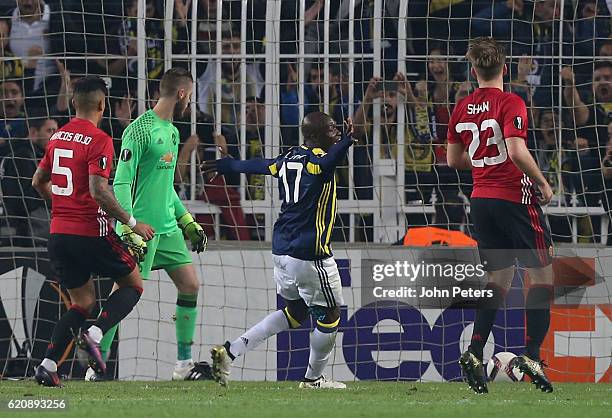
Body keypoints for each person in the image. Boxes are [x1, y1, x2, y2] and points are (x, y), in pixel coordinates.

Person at [203, 113, 357, 389]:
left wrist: (230, 165)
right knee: (331, 314)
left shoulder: (290, 158)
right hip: (310, 254)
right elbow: (326, 163)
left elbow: (262, 165)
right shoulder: (317, 160)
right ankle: (313, 379)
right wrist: (346, 142)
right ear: (316, 135)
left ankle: (231, 351)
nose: (336, 131)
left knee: (296, 311)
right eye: (331, 129)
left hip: (282, 251)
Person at [446, 37, 555, 394]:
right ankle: (533, 355)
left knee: (499, 279)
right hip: (514, 198)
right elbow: (517, 150)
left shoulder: (461, 107)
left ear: (473, 70)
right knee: (542, 274)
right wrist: (542, 181)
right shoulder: (511, 101)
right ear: (504, 68)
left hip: (480, 200)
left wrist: (481, 163)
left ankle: (476, 350)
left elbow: (453, 160)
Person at [30, 76, 154, 387]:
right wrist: (132, 221)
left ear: (74, 103)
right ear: (102, 104)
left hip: (58, 233)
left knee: (82, 302)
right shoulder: (100, 140)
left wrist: (62, 206)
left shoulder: (57, 137)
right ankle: (95, 333)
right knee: (134, 284)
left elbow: (38, 181)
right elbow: (100, 191)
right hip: (90, 231)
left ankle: (47, 365)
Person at [87, 68, 210, 382]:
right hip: (140, 229)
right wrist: (129, 227)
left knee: (190, 285)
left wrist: (187, 222)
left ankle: (183, 365)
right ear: (181, 93)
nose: (190, 102)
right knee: (124, 294)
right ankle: (95, 369)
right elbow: (123, 182)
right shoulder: (139, 130)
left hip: (166, 229)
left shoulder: (171, 131)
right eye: (190, 96)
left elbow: (166, 186)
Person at [1, 117, 57, 246]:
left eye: (56, 131)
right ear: (33, 132)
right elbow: (20, 200)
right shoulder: (21, 157)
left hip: (35, 229)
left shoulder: (40, 156)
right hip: (26, 232)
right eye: (49, 131)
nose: (54, 136)